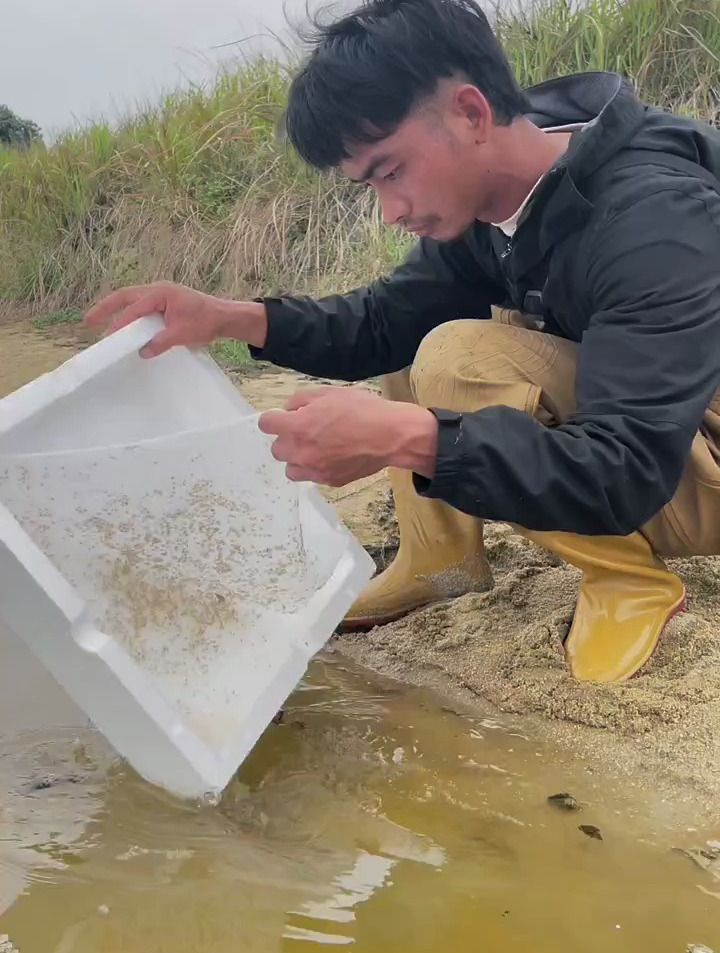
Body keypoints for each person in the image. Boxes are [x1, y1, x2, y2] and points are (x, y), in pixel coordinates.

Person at [85, 0, 720, 684]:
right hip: (654, 422)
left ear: (471, 114)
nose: (390, 211)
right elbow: (381, 321)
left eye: (390, 171)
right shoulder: (500, 201)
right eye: (370, 186)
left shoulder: (651, 217)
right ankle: (438, 559)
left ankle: (625, 580)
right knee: (416, 340)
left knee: (454, 359)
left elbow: (621, 468)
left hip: (674, 456)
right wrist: (230, 317)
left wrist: (414, 439)